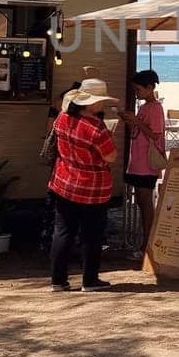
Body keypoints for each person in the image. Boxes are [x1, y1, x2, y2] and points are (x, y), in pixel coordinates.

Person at [49, 78, 119, 292]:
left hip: (64, 179)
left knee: (62, 231)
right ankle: (89, 280)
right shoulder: (96, 128)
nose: (102, 104)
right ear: (92, 102)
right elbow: (111, 157)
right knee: (92, 234)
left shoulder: (62, 118)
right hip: (92, 187)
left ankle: (58, 280)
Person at [118, 70, 165, 246]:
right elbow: (140, 132)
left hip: (146, 163)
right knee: (141, 202)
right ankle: (147, 243)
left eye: (138, 90)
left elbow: (155, 135)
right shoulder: (145, 107)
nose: (136, 93)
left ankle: (148, 244)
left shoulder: (155, 108)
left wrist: (135, 121)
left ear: (150, 87)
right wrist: (130, 121)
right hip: (138, 162)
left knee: (145, 204)